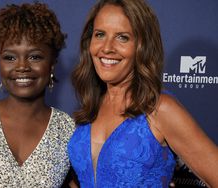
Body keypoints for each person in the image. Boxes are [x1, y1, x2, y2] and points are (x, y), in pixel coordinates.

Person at [67, 0, 218, 187]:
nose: (106, 47)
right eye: (100, 34)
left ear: (142, 46)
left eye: (122, 37)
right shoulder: (91, 106)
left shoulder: (160, 109)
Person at [0, 3, 75, 187]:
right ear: (0, 63)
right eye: (10, 57)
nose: (22, 67)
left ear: (52, 64)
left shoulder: (68, 131)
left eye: (35, 56)